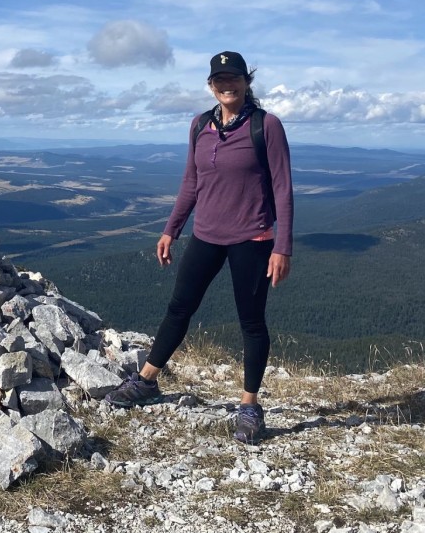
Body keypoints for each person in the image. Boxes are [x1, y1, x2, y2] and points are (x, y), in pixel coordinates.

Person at [104, 50, 293, 445]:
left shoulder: (266, 125)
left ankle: (250, 407)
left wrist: (283, 247)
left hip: (253, 238)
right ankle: (147, 382)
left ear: (246, 82)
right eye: (219, 79)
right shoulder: (199, 126)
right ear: (211, 85)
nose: (227, 85)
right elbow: (191, 183)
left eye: (234, 78)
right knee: (179, 308)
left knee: (251, 322)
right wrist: (170, 230)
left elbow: (282, 187)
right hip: (205, 234)